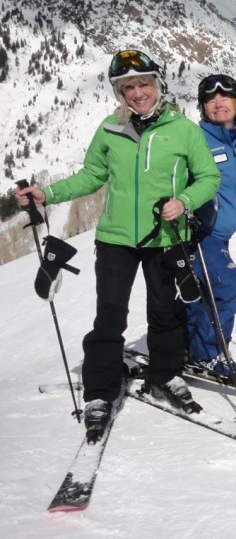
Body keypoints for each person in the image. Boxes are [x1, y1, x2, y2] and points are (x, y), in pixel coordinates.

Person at [15, 49, 220, 440]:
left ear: (158, 85)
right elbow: (91, 176)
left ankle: (164, 376)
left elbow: (208, 177)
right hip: (115, 239)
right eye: (128, 88)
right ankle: (100, 391)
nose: (138, 93)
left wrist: (184, 201)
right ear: (119, 93)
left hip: (166, 237)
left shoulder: (183, 130)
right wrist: (47, 194)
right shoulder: (110, 129)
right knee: (109, 315)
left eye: (144, 84)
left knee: (164, 312)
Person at [183, 74, 236, 376]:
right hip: (203, 234)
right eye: (211, 99)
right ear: (203, 107)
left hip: (219, 235)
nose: (219, 103)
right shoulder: (198, 140)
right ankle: (206, 353)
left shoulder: (229, 139)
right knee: (230, 289)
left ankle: (190, 344)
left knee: (206, 294)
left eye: (225, 97)